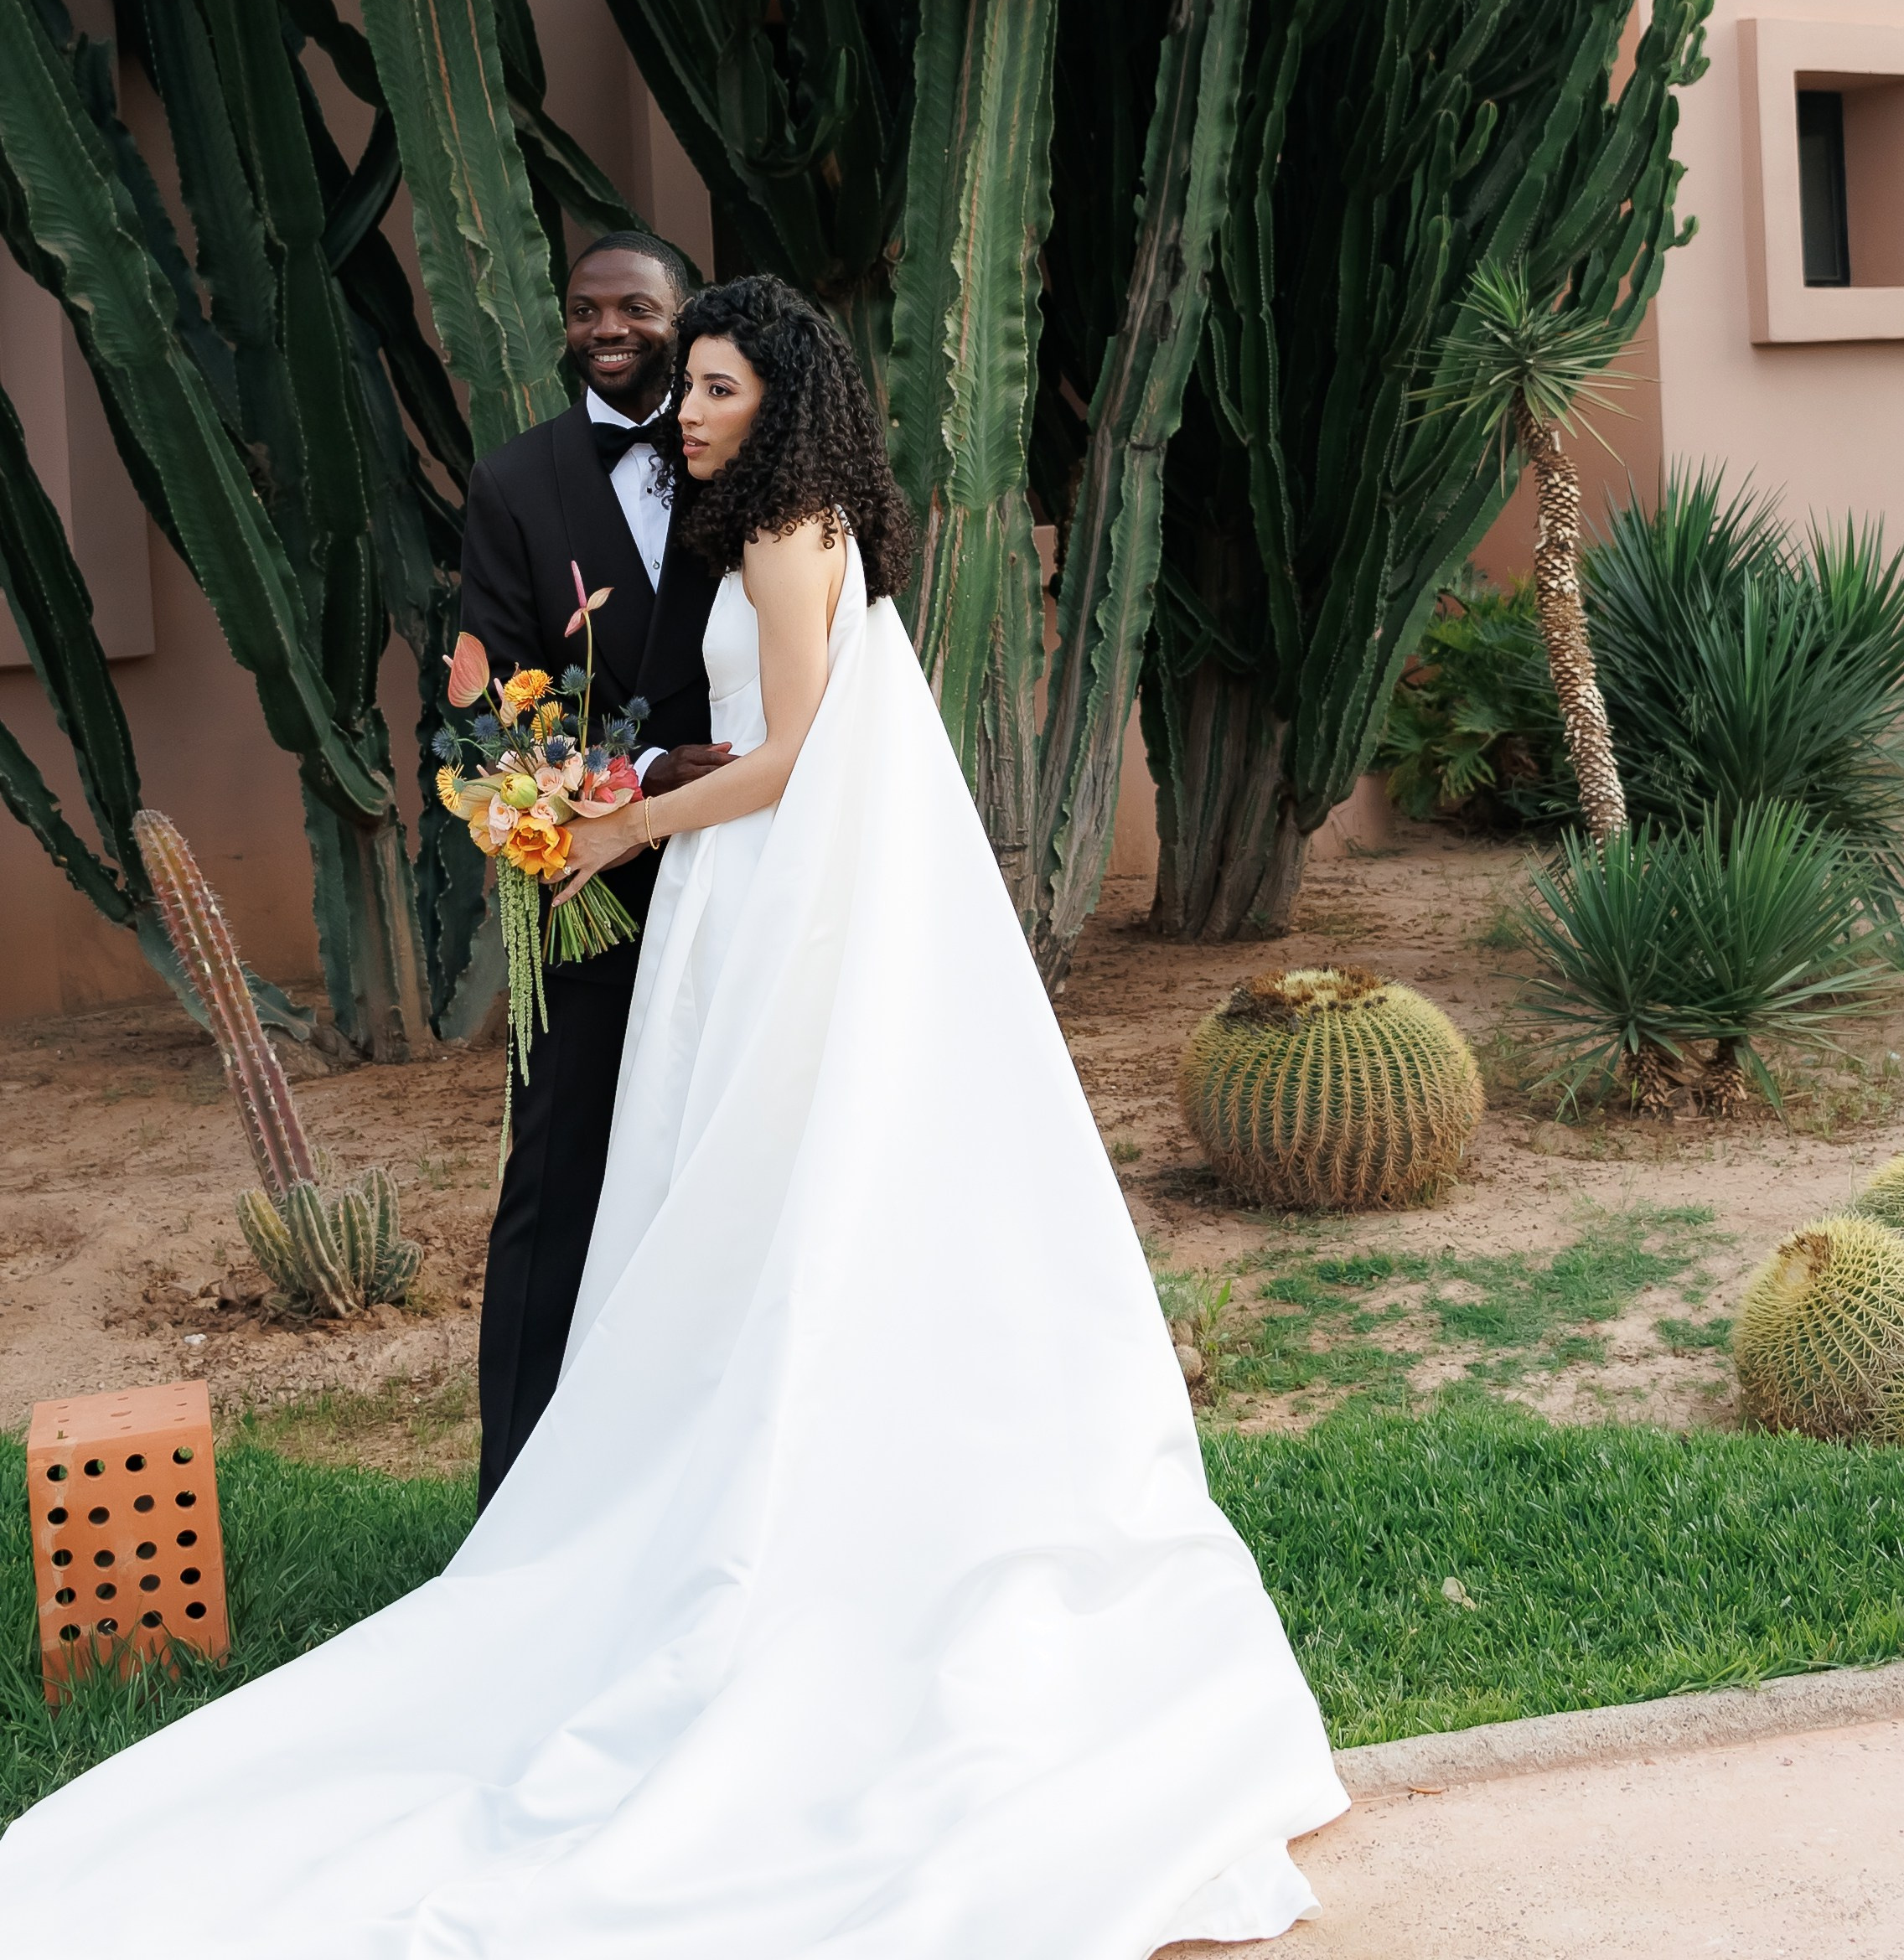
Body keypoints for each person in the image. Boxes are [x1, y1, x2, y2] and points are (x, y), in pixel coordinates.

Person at [0, 275, 1348, 1957]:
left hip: (764, 877)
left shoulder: (783, 533)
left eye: (716, 388)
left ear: (777, 399)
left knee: (761, 1189)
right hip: (745, 879)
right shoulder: (783, 520)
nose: (691, 411)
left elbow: (792, 751)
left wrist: (627, 832)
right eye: (686, 388)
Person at [458, 227, 725, 1506]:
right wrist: (604, 789)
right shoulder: (516, 482)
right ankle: (513, 1492)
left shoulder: (743, 453)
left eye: (634, 307)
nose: (606, 328)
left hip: (741, 869)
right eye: (582, 311)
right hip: (588, 888)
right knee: (556, 1173)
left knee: (724, 1162)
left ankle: (691, 1481)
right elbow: (480, 707)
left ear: (687, 317)